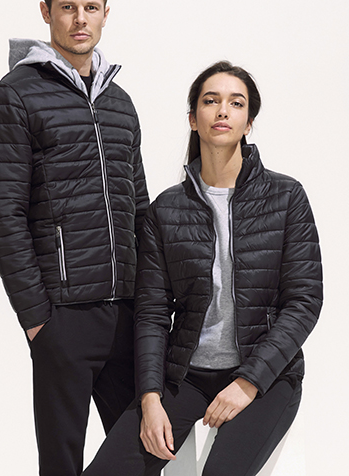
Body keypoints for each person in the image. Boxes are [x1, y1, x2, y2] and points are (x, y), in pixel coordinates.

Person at [83, 61, 323, 476]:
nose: (223, 110)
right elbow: (153, 312)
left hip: (267, 376)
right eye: (211, 101)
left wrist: (248, 382)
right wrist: (150, 397)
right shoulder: (167, 209)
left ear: (249, 122)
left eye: (236, 103)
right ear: (193, 119)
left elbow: (303, 302)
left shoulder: (286, 197)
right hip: (186, 376)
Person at [0, 0, 149, 476]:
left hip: (127, 314)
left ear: (105, 13)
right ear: (46, 11)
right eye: (68, 7)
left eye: (91, 7)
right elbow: (4, 216)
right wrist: (38, 320)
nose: (80, 19)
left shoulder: (120, 103)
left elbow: (139, 208)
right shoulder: (13, 98)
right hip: (63, 318)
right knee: (61, 464)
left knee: (143, 455)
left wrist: (151, 301)